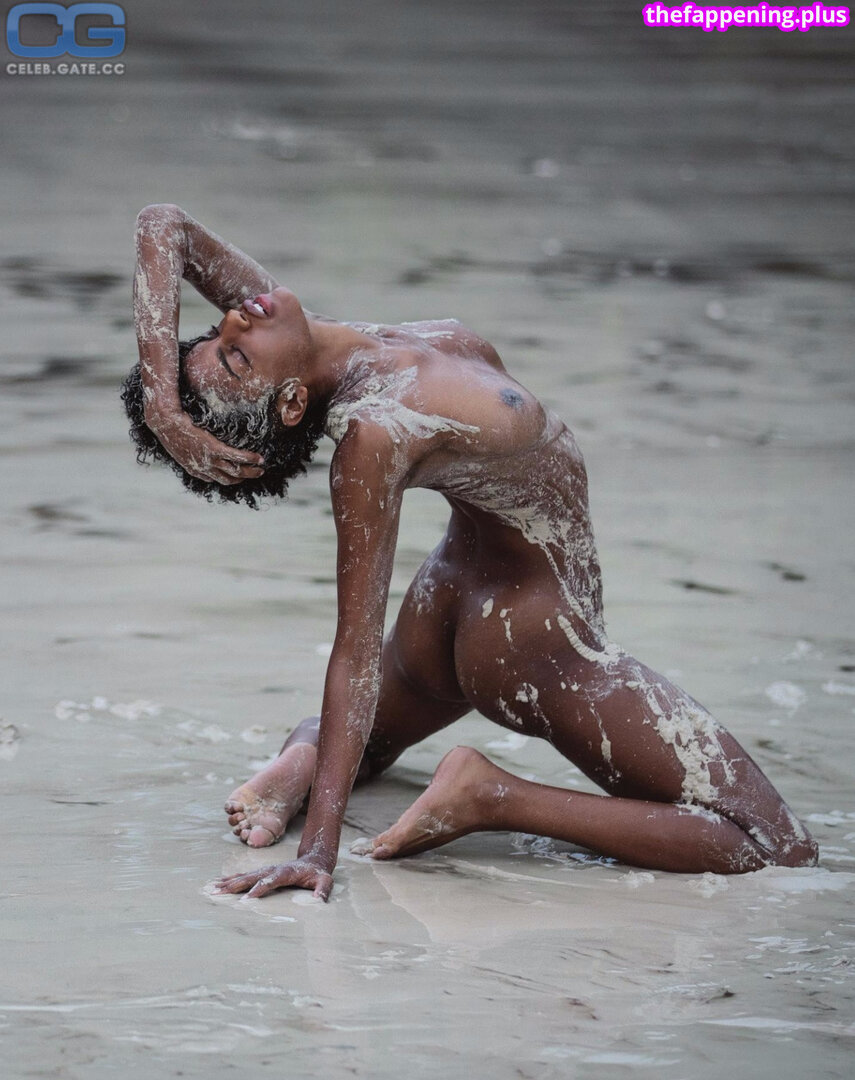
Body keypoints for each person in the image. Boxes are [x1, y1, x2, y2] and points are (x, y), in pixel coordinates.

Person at [124, 203, 818, 902]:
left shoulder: (316, 341)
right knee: (773, 844)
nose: (235, 320)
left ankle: (305, 757)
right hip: (531, 635)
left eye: (216, 334)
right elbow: (354, 651)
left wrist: (164, 406)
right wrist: (317, 854)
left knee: (367, 745)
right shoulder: (372, 433)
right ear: (292, 405)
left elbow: (164, 226)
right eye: (234, 356)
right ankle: (492, 796)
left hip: (449, 600)